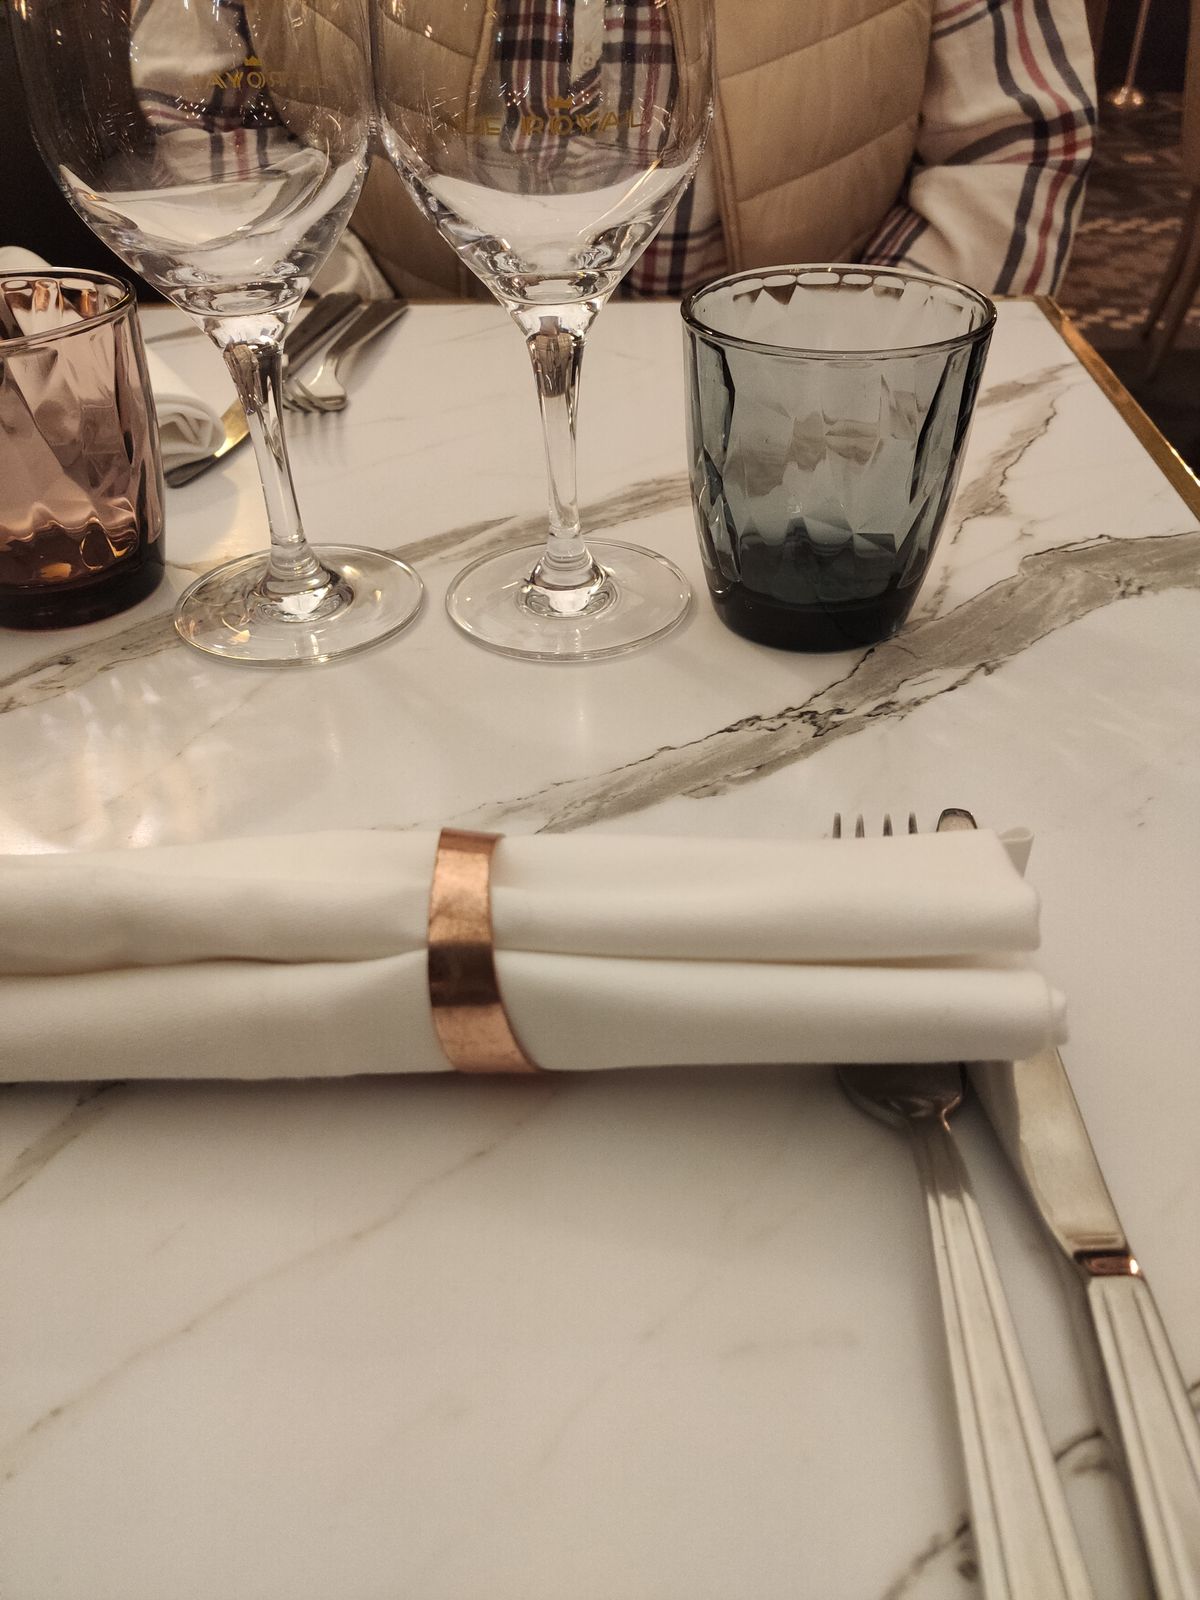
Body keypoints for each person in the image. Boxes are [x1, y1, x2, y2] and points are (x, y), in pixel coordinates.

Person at [350, 0, 1097, 300]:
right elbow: (279, 136)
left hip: (808, 396)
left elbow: (1015, 148)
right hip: (395, 392)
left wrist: (852, 355)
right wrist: (343, 335)